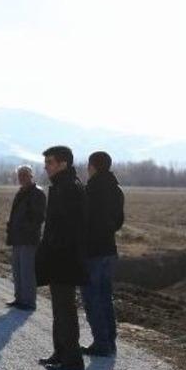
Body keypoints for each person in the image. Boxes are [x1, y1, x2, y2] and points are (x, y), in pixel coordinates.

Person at [35, 145, 87, 370]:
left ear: (63, 164)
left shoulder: (70, 188)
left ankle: (72, 360)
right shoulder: (60, 186)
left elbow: (68, 227)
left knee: (65, 309)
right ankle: (60, 353)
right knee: (58, 309)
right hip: (58, 257)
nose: (46, 167)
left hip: (66, 258)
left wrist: (53, 249)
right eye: (46, 163)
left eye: (50, 163)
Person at [81, 151, 125, 357]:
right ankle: (110, 340)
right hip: (109, 249)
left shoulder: (91, 189)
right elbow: (118, 222)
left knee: (92, 298)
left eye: (89, 165)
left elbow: (84, 220)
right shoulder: (117, 190)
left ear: (93, 166)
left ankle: (101, 343)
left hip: (93, 250)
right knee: (105, 297)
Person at [5, 165, 46, 311]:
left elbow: (39, 217)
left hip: (28, 239)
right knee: (17, 270)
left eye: (25, 175)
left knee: (27, 271)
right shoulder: (21, 192)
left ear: (31, 176)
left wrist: (24, 228)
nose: (22, 178)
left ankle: (29, 302)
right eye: (20, 175)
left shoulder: (37, 193)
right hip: (17, 238)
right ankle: (19, 299)